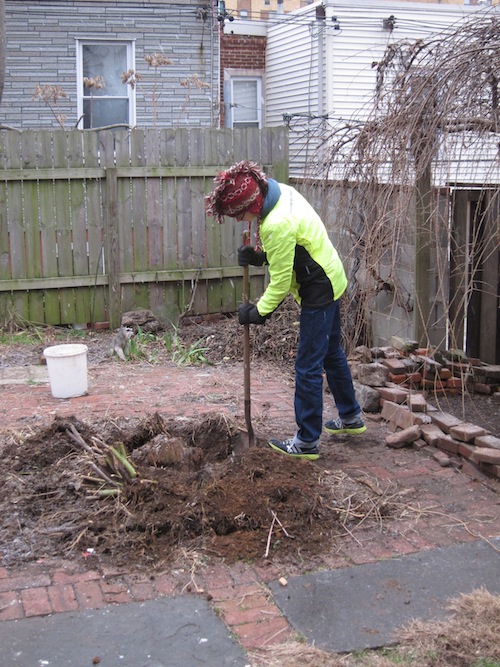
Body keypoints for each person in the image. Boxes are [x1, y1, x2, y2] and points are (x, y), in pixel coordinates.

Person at [205, 161, 365, 459]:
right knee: (332, 354)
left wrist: (257, 312)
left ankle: (306, 441)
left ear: (252, 202)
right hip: (332, 275)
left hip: (318, 288)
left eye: (240, 214)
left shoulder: (275, 223)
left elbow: (279, 284)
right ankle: (351, 417)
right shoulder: (281, 194)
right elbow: (292, 247)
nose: (241, 220)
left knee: (307, 366)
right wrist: (259, 257)